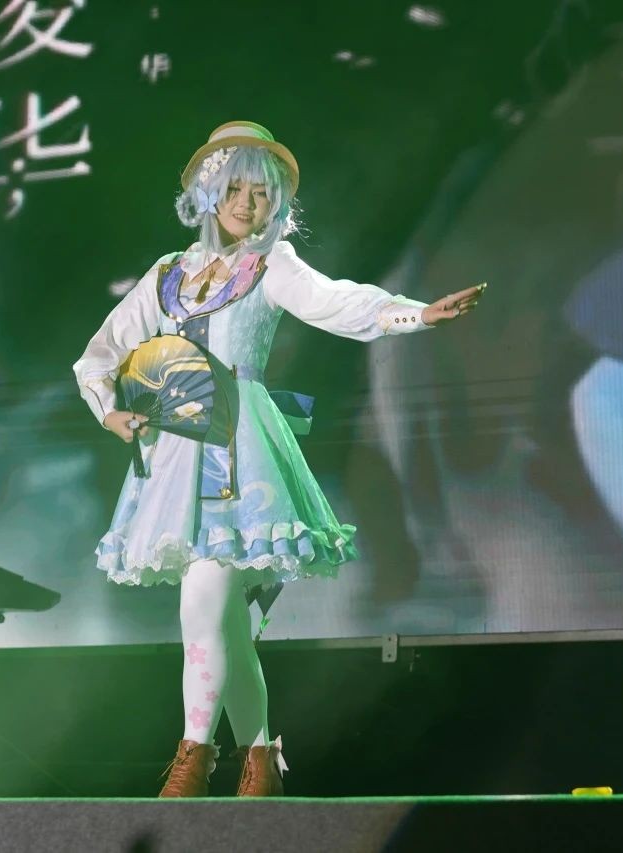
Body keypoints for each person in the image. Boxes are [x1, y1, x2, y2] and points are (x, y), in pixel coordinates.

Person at [72, 121, 484, 797]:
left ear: (276, 203)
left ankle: (194, 756)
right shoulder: (167, 274)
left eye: (260, 193)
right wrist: (110, 410)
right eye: (235, 188)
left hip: (242, 451)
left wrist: (416, 313)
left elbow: (339, 301)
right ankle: (261, 760)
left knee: (204, 604)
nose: (246, 203)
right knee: (225, 621)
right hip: (175, 457)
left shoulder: (272, 265)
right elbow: (100, 353)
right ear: (208, 193)